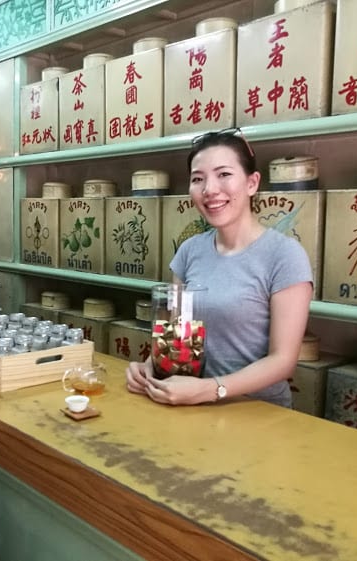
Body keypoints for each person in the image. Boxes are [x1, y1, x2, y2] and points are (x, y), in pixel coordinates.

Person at [126, 128, 313, 408]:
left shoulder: (285, 256)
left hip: (255, 410)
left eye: (224, 174)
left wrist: (209, 389)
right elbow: (176, 334)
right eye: (198, 179)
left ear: (252, 183)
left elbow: (283, 361)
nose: (210, 189)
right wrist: (149, 367)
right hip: (188, 402)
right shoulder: (189, 251)